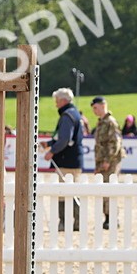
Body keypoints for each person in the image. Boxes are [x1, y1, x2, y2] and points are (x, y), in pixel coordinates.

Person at [44, 88, 83, 231]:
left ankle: (65, 222)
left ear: (63, 101)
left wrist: (52, 151)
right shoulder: (74, 114)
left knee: (65, 192)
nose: (56, 105)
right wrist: (48, 144)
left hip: (67, 160)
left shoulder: (67, 116)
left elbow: (65, 139)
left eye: (57, 101)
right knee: (71, 190)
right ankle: (75, 222)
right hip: (73, 159)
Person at [91, 96, 124, 229]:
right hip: (103, 161)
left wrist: (107, 161)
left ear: (103, 105)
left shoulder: (110, 122)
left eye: (95, 108)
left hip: (111, 161)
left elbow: (114, 143)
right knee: (104, 189)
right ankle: (107, 218)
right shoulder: (101, 122)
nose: (94, 111)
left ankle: (112, 218)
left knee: (110, 188)